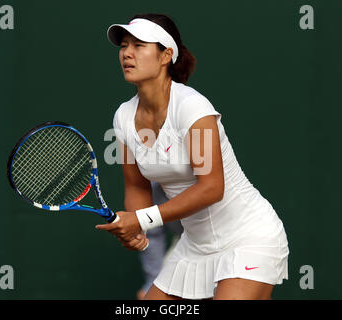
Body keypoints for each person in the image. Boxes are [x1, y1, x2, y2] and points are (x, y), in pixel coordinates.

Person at [96, 13, 289, 300]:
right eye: (124, 46)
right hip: (195, 246)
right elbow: (136, 185)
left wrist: (142, 219)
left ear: (165, 56)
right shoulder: (124, 117)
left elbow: (211, 187)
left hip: (248, 236)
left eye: (139, 45)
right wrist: (139, 231)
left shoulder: (192, 108)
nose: (127, 53)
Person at [136, 182, 183, 300]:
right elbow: (152, 236)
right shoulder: (152, 187)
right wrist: (153, 282)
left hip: (226, 239)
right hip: (184, 240)